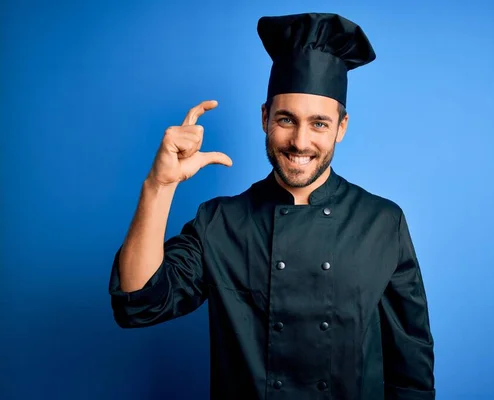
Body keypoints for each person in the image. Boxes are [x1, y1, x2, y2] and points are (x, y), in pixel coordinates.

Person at [108, 12, 435, 400]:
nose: (300, 141)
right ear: (265, 118)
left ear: (341, 127)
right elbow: (138, 303)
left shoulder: (382, 223)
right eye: (286, 119)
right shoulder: (220, 221)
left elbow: (411, 373)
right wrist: (158, 186)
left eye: (319, 124)